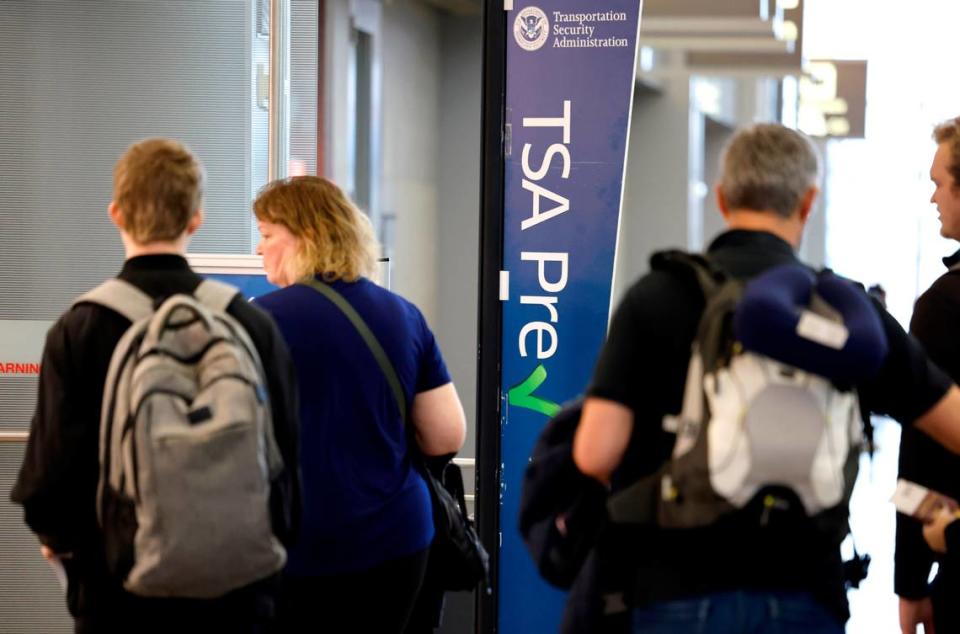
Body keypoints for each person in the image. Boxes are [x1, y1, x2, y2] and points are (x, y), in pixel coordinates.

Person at [572, 123, 960, 634]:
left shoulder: (658, 296)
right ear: (807, 203)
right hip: (807, 591)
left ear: (723, 198)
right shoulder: (846, 311)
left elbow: (595, 453)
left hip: (678, 589)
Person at [10, 138, 301, 633]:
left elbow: (47, 483)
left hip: (117, 595)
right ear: (195, 220)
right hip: (237, 596)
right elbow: (287, 460)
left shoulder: (78, 329)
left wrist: (67, 551)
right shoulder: (249, 324)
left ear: (116, 214)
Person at [251, 175, 467, 634]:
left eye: (268, 235)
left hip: (298, 547)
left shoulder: (258, 321)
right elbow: (446, 434)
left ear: (307, 236)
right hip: (396, 543)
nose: (258, 249)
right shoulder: (402, 314)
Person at [896, 115, 960, 634]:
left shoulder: (944, 305)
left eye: (939, 183)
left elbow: (921, 446)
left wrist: (910, 583)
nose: (933, 198)